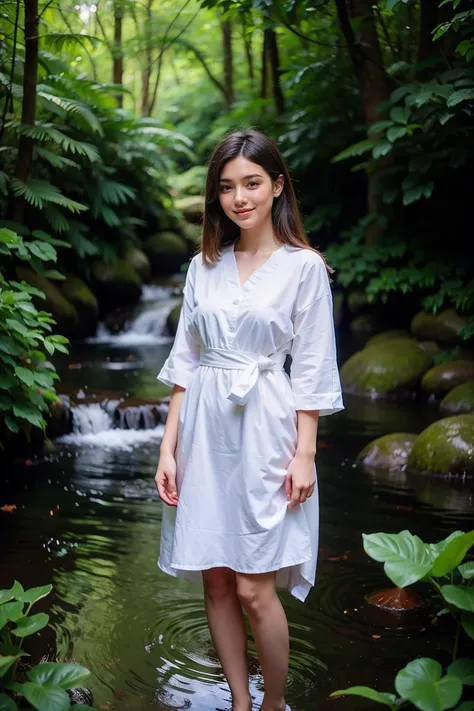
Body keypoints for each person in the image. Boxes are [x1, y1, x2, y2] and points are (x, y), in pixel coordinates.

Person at [154, 128, 344, 711]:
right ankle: (241, 700)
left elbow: (311, 366)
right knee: (215, 578)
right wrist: (166, 448)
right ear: (217, 196)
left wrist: (305, 452)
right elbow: (185, 363)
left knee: (254, 586)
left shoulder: (303, 267)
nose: (240, 198)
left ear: (277, 186)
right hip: (202, 431)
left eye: (253, 184)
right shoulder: (202, 267)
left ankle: (274, 703)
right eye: (228, 187)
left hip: (267, 424)